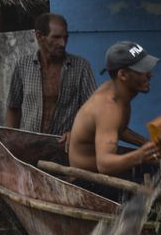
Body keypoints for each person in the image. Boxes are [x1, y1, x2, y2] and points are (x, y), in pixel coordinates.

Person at [68, 41, 161, 207]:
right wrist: (140, 155)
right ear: (123, 75)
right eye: (142, 70)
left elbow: (117, 129)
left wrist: (145, 143)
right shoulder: (108, 108)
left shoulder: (116, 91)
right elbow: (104, 164)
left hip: (110, 173)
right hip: (89, 182)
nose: (150, 75)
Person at [5, 13, 96, 151]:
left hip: (64, 148)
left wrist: (76, 133)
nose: (63, 43)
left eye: (66, 38)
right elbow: (13, 107)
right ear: (40, 36)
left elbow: (93, 111)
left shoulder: (81, 67)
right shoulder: (23, 65)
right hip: (29, 147)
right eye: (57, 37)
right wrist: (10, 143)